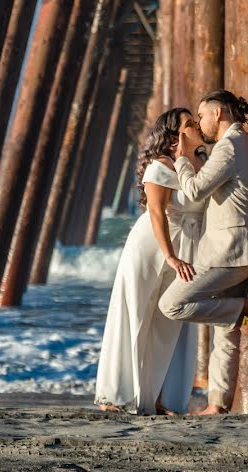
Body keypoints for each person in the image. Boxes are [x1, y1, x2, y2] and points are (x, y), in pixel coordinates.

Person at [158, 90, 248, 416]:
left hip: (229, 251)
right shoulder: (240, 145)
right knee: (225, 330)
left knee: (172, 304)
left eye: (202, 115)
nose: (200, 122)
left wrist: (183, 155)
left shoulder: (230, 147)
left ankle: (247, 306)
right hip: (243, 249)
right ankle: (218, 404)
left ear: (218, 113)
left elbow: (193, 189)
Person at [94, 108, 206, 415]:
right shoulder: (161, 165)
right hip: (152, 247)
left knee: (169, 322)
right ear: (175, 135)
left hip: (185, 249)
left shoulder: (201, 162)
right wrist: (169, 255)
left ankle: (158, 398)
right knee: (136, 313)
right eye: (189, 123)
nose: (197, 126)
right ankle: (115, 396)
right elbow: (156, 212)